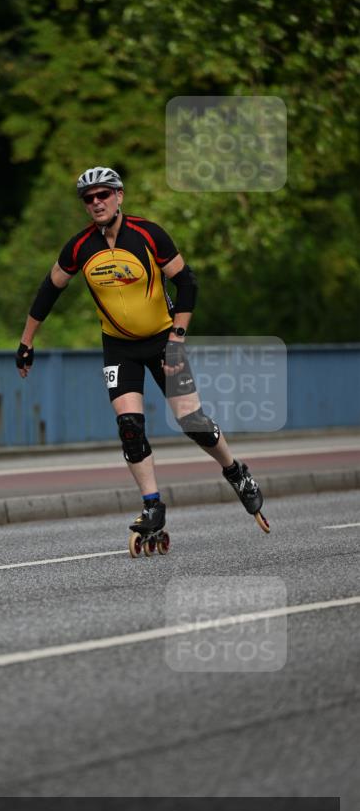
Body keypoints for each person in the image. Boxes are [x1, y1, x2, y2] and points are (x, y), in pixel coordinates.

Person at [15, 166, 268, 537]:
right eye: (89, 198)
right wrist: (26, 341)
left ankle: (235, 471)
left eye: (103, 194)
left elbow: (187, 283)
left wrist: (177, 340)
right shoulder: (80, 247)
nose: (97, 202)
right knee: (130, 428)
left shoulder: (149, 234)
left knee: (193, 423)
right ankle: (152, 506)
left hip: (165, 340)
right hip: (118, 346)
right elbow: (49, 289)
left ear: (119, 196)